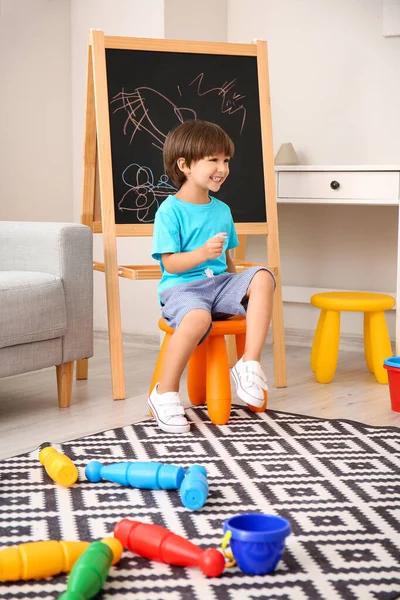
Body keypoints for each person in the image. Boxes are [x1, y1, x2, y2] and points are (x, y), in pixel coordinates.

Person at [150, 120, 275, 433]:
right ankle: (164, 393)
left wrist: (238, 288)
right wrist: (202, 254)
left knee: (263, 275)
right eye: (214, 160)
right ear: (185, 165)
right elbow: (170, 265)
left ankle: (249, 363)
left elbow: (229, 262)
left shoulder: (222, 210)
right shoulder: (170, 211)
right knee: (196, 320)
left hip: (218, 286)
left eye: (226, 161)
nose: (223, 168)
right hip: (183, 289)